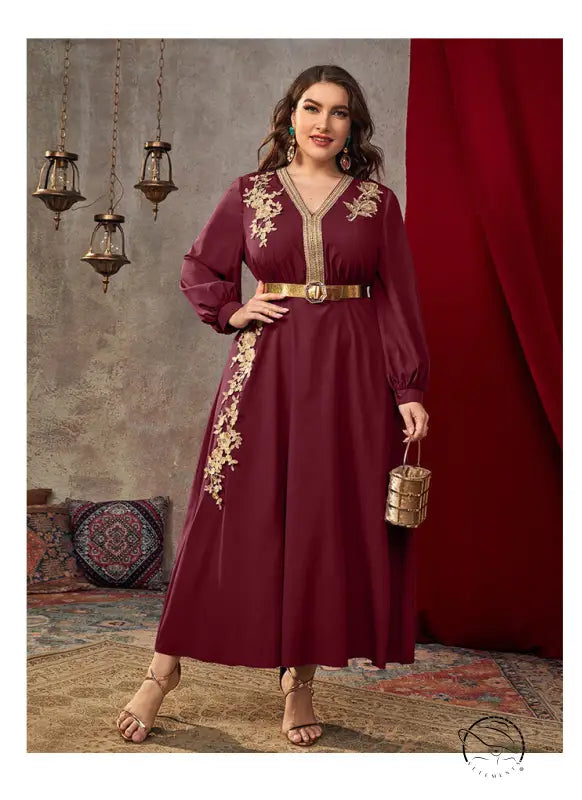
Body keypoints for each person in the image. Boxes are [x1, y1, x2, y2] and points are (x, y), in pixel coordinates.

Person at [116, 63, 430, 748]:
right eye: (311, 108)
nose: (323, 123)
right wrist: (230, 311)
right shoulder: (249, 193)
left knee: (320, 521)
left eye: (338, 112)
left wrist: (408, 388)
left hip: (350, 378)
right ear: (290, 117)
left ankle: (300, 682)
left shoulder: (377, 203)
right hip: (266, 370)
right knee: (226, 515)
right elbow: (201, 268)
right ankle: (161, 671)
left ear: (353, 126)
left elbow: (398, 299)